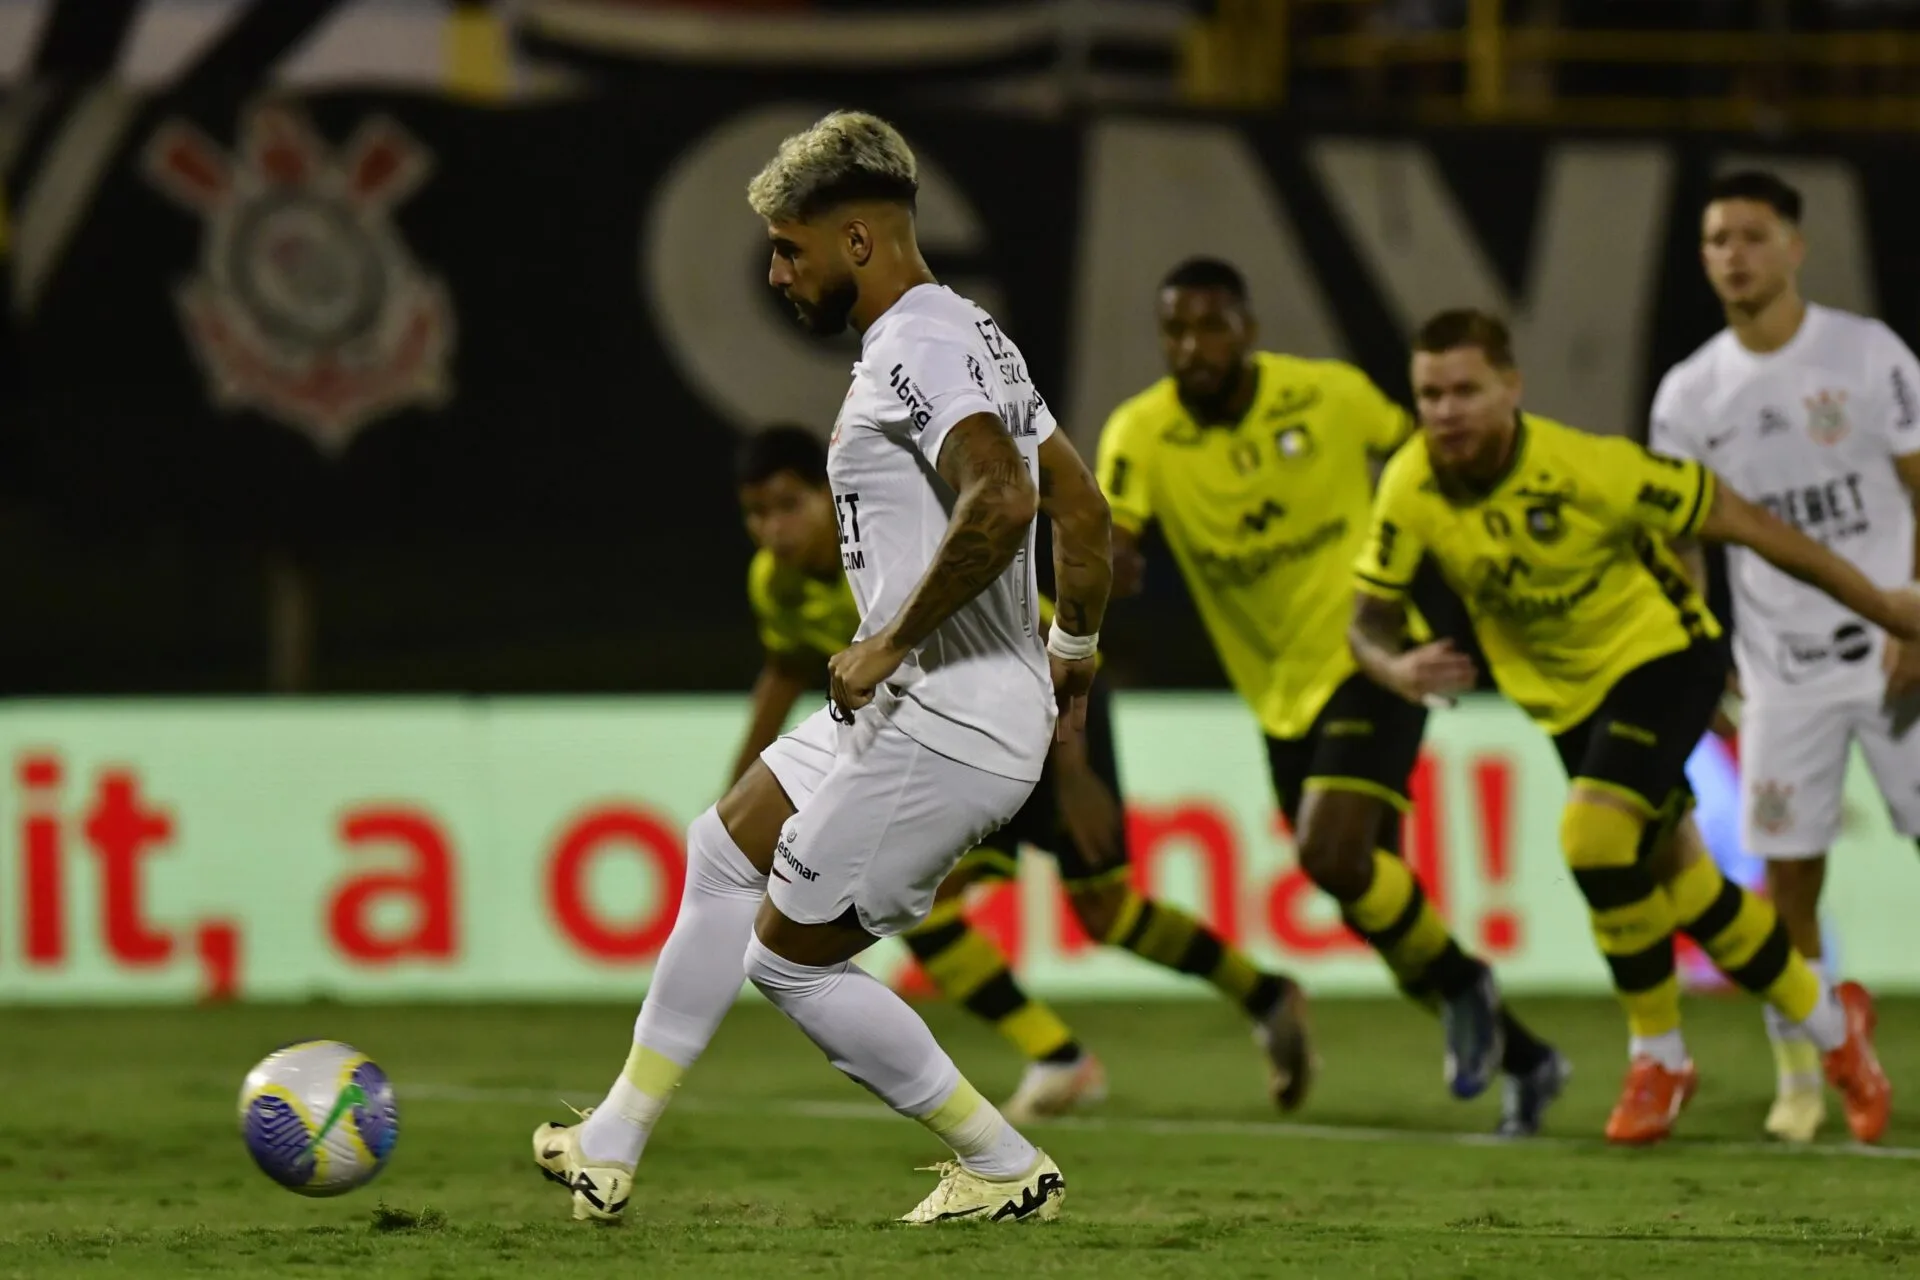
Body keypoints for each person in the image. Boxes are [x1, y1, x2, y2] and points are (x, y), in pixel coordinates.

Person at [531, 109, 1111, 1225]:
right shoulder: (974, 333)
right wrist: (1073, 648)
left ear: (859, 242)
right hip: (927, 701)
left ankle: (1001, 1160)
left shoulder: (921, 346)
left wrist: (893, 637)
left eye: (790, 248)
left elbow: (1010, 495)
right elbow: (1081, 504)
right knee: (719, 850)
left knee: (790, 964)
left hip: (946, 715)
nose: (774, 270)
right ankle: (611, 1140)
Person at [1350, 307, 1900, 1146]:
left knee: (1593, 841)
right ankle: (1834, 1028)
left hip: (1665, 660)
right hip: (1567, 702)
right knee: (1684, 885)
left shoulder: (1590, 469)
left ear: (1511, 389)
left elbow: (1756, 528)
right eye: (1429, 393)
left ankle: (1661, 1055)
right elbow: (1369, 623)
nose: (1446, 410)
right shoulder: (1410, 485)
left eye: (1466, 389)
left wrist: (1889, 607)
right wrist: (1394, 669)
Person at [1092, 258, 1566, 1135]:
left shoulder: (1330, 397)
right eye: (1175, 330)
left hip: (1376, 656)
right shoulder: (1141, 433)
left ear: (1249, 330)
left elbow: (1431, 453)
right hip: (1278, 699)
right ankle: (1531, 1059)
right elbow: (1113, 538)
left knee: (1332, 856)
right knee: (1373, 900)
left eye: (1210, 326)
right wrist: (1110, 567)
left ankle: (1468, 987)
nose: (1192, 346)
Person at [730, 422, 1307, 1123]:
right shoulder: (777, 586)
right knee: (924, 906)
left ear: (833, 495)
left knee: (1108, 913)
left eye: (791, 505)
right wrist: (737, 804)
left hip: (1049, 719)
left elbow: (1041, 645)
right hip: (961, 748)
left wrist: (1073, 778)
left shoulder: (893, 553)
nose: (775, 530)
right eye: (758, 513)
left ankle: (1266, 996)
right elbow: (784, 670)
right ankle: (1061, 1058)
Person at [1651, 169, 1920, 1144]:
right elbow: (1683, 544)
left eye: (1753, 236)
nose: (1733, 253)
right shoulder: (1689, 393)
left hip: (1900, 654)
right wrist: (1698, 648)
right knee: (1788, 880)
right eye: (1717, 238)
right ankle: (1804, 1074)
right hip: (1781, 675)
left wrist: (1913, 618)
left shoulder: (1864, 353)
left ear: (1795, 247)